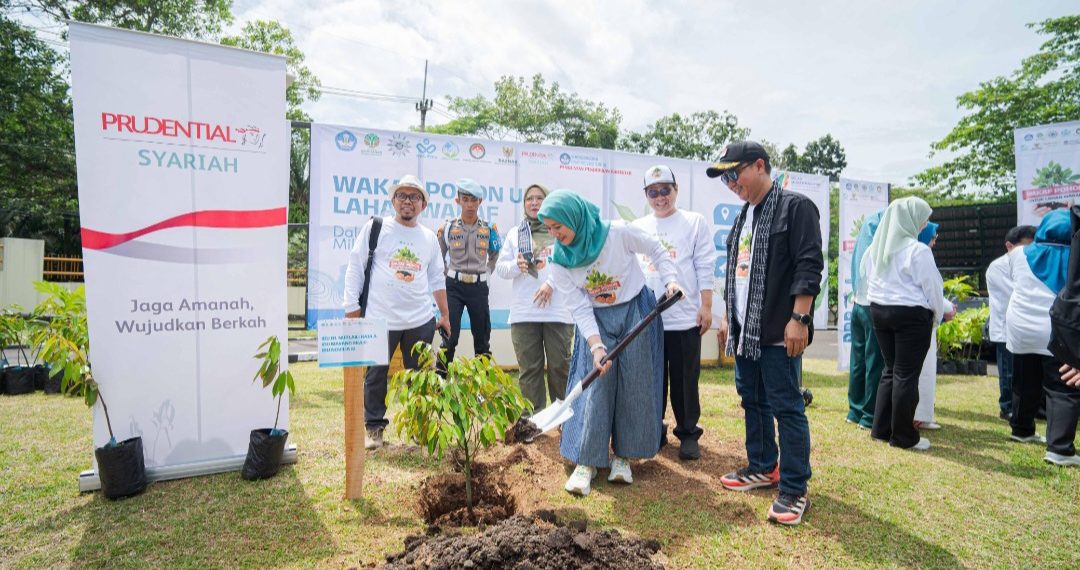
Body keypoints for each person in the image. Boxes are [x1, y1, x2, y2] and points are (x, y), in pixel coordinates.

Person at [537, 190, 682, 498]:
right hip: (596, 318)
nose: (554, 234)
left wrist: (670, 280)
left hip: (635, 309)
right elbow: (578, 307)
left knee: (635, 383)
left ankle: (623, 457)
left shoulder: (618, 233)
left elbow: (656, 249)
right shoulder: (560, 261)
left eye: (557, 226)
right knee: (595, 387)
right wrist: (596, 346)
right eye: (549, 229)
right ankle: (587, 462)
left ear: (573, 218)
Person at [711, 141, 823, 526]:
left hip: (779, 329)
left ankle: (794, 488)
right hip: (747, 332)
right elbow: (736, 272)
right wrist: (729, 317)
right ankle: (762, 466)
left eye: (734, 173)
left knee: (786, 406)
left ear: (759, 165)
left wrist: (800, 318)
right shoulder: (745, 216)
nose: (731, 183)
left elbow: (809, 264)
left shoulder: (795, 207)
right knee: (752, 400)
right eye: (724, 178)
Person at [343, 175, 452, 449]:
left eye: (414, 197)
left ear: (423, 204)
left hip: (420, 320)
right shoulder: (376, 228)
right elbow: (356, 265)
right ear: (393, 200)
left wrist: (445, 314)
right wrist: (351, 308)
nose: (408, 201)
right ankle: (374, 430)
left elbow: (437, 278)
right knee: (375, 376)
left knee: (419, 378)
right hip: (380, 318)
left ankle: (419, 430)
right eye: (402, 195)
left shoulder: (429, 238)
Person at [631, 165, 716, 461]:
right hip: (649, 319)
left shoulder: (694, 222)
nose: (660, 197)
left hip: (684, 317)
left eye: (665, 190)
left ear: (676, 190)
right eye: (653, 192)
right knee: (652, 380)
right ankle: (654, 429)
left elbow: (705, 265)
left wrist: (706, 306)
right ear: (646, 195)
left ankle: (688, 432)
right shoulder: (638, 226)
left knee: (685, 380)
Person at [862, 196, 945, 452]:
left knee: (890, 370)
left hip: (879, 312)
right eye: (923, 219)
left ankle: (881, 429)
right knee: (906, 375)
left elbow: (868, 280)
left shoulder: (875, 249)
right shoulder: (918, 250)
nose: (925, 224)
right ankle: (903, 437)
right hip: (911, 316)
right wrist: (937, 315)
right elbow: (933, 288)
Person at [494, 183, 574, 413]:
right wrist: (516, 265)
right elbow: (501, 268)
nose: (534, 202)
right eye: (529, 198)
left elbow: (571, 264)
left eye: (540, 198)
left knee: (560, 367)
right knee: (529, 370)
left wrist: (551, 284)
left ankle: (563, 418)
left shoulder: (561, 230)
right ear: (524, 204)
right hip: (524, 312)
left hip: (558, 311)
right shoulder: (515, 233)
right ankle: (534, 419)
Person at [1005, 209, 1075, 465]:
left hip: (1021, 326)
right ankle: (1060, 448)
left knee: (1024, 382)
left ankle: (1021, 430)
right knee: (1061, 388)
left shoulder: (1019, 254)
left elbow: (1015, 278)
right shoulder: (1075, 257)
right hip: (1056, 330)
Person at [437, 179, 501, 367]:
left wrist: (486, 274)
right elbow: (439, 255)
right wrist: (446, 276)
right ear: (458, 201)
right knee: (449, 337)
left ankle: (483, 383)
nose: (470, 204)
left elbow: (495, 255)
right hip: (453, 288)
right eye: (465, 199)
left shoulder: (489, 228)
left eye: (474, 200)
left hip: (478, 288)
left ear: (480, 201)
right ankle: (441, 381)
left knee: (482, 340)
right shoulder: (448, 227)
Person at [986, 225, 1037, 420]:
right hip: (1005, 328)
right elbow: (1018, 292)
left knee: (1026, 372)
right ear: (1009, 246)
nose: (1030, 250)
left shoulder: (1030, 263)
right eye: (1026, 246)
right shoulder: (998, 266)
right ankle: (1007, 407)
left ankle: (1026, 407)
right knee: (1008, 372)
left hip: (1026, 326)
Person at [847, 209, 886, 430]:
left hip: (858, 304)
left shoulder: (864, 237)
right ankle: (869, 415)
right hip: (873, 306)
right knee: (874, 362)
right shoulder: (880, 242)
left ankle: (854, 411)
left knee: (858, 360)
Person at [913, 222, 954, 431]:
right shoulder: (922, 254)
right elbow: (931, 290)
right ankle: (918, 416)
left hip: (918, 319)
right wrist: (944, 310)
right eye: (933, 237)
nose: (935, 241)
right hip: (922, 320)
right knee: (923, 371)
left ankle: (919, 414)